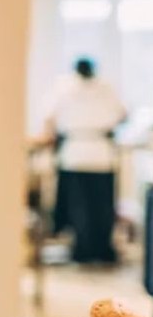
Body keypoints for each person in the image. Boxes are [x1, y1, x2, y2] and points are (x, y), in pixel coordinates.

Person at [45, 57, 126, 264]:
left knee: (89, 208)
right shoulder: (70, 86)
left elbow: (49, 118)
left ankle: (91, 249)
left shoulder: (100, 87)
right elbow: (122, 115)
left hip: (86, 152)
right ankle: (89, 249)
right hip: (90, 152)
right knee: (89, 207)